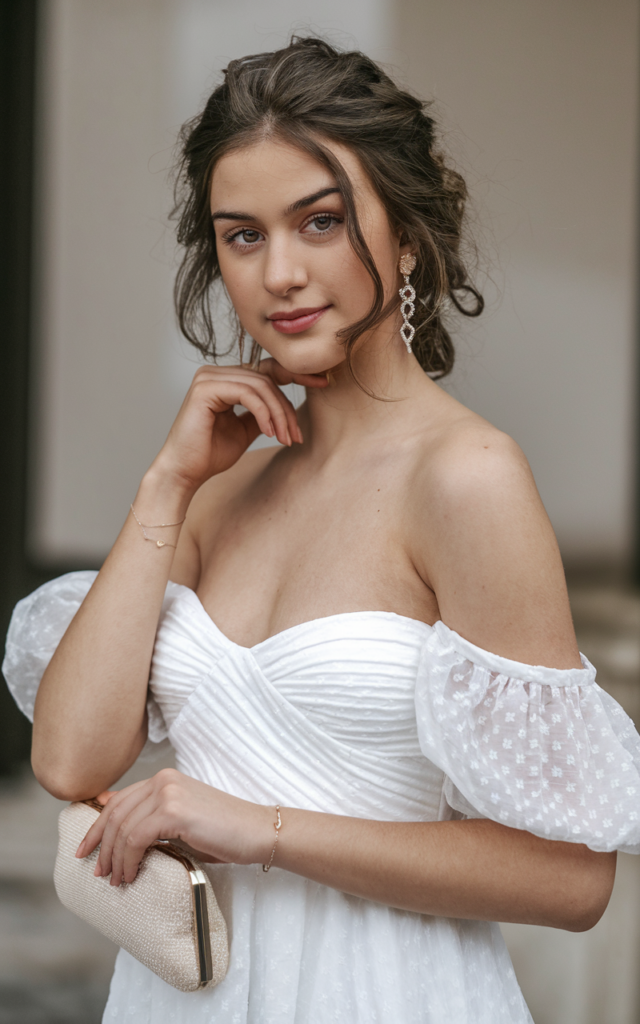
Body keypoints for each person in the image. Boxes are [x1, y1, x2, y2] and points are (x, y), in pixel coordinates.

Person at [4, 36, 640, 1024]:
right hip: (187, 997)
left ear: (407, 235)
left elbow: (569, 880)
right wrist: (167, 485)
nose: (281, 273)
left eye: (321, 221)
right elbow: (70, 763)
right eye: (243, 235)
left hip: (383, 992)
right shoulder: (219, 489)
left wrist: (254, 826)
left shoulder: (465, 478)